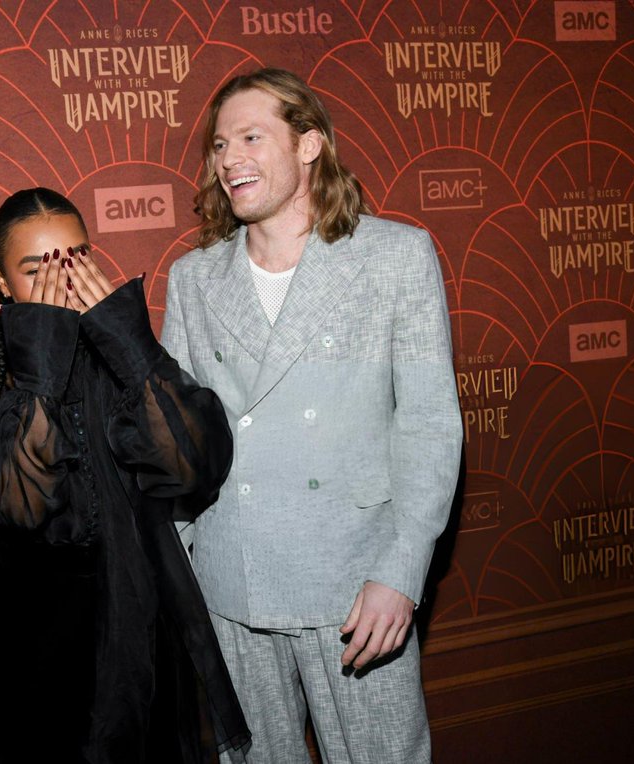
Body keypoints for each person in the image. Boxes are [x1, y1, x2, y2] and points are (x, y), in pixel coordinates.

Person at [162, 68, 462, 763]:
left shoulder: (393, 257)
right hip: (230, 581)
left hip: (355, 584)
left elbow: (428, 425)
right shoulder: (195, 279)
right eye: (218, 144)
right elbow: (180, 445)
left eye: (250, 136)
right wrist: (177, 584)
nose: (228, 157)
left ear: (310, 146)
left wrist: (403, 570)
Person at [0, 188, 250, 763]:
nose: (57, 283)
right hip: (38, 640)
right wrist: (39, 368)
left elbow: (198, 469)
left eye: (73, 260)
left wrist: (133, 347)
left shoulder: (128, 374)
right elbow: (20, 509)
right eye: (35, 269)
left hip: (143, 625)